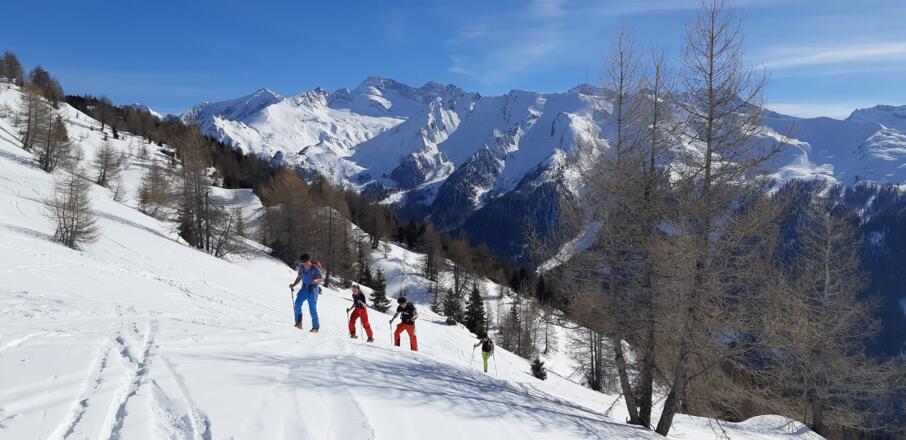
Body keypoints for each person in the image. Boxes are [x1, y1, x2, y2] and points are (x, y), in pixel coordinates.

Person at [289, 253, 324, 332]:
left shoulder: (314, 268)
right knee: (297, 303)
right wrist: (293, 284)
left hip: (313, 289)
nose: (303, 263)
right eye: (302, 262)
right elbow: (299, 277)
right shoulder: (301, 268)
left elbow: (322, 279)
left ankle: (315, 327)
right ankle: (298, 323)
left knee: (312, 308)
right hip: (304, 288)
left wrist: (316, 280)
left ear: (308, 261)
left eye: (304, 262)